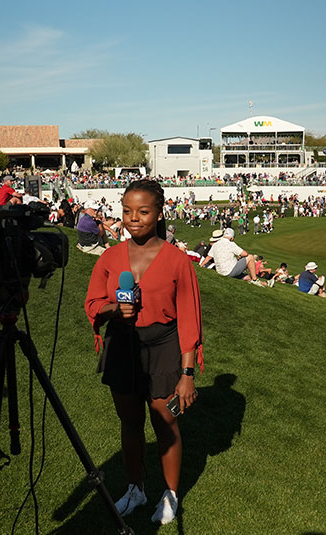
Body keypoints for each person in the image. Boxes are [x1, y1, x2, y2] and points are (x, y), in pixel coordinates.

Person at [85, 179, 203, 526]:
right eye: (126, 211)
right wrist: (112, 310)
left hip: (164, 345)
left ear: (159, 213)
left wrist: (187, 374)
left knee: (165, 420)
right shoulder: (109, 257)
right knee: (130, 422)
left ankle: (170, 494)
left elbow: (189, 319)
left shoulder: (177, 260)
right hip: (122, 344)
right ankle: (135, 488)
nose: (133, 218)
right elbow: (93, 303)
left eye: (143, 211)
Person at [199, 227, 264, 285]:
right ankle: (255, 280)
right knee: (250, 257)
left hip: (220, 271)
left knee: (247, 277)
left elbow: (208, 257)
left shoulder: (215, 244)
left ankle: (260, 283)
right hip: (230, 271)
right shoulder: (231, 244)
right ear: (231, 238)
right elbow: (245, 254)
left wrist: (201, 265)